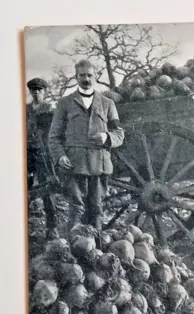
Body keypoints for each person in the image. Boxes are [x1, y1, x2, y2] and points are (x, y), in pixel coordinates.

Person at [48, 59, 125, 235]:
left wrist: (107, 137)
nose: (86, 79)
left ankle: (97, 252)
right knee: (76, 209)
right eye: (82, 75)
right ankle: (75, 253)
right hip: (75, 165)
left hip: (99, 165)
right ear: (76, 77)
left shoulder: (107, 104)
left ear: (95, 76)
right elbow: (54, 136)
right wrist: (60, 156)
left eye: (89, 75)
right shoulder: (64, 103)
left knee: (97, 210)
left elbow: (119, 134)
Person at [26, 77, 59, 239]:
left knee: (47, 189)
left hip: (43, 153)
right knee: (25, 189)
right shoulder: (25, 110)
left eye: (39, 90)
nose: (36, 93)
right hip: (27, 152)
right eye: (33, 90)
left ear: (44, 92)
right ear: (30, 92)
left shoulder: (49, 109)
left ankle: (52, 227)